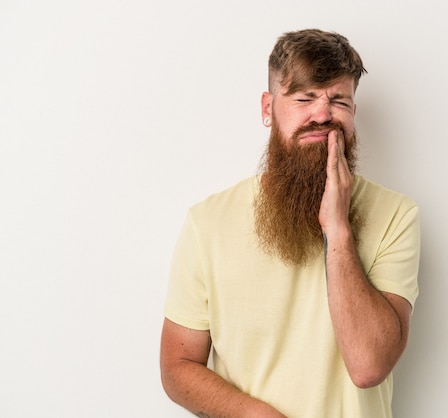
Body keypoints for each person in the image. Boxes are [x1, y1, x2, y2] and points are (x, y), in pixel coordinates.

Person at [160, 28, 420, 418]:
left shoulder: (396, 215)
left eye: (339, 100)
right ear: (268, 108)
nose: (322, 114)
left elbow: (368, 366)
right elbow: (178, 367)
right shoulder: (207, 223)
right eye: (305, 98)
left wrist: (338, 230)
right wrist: (255, 415)